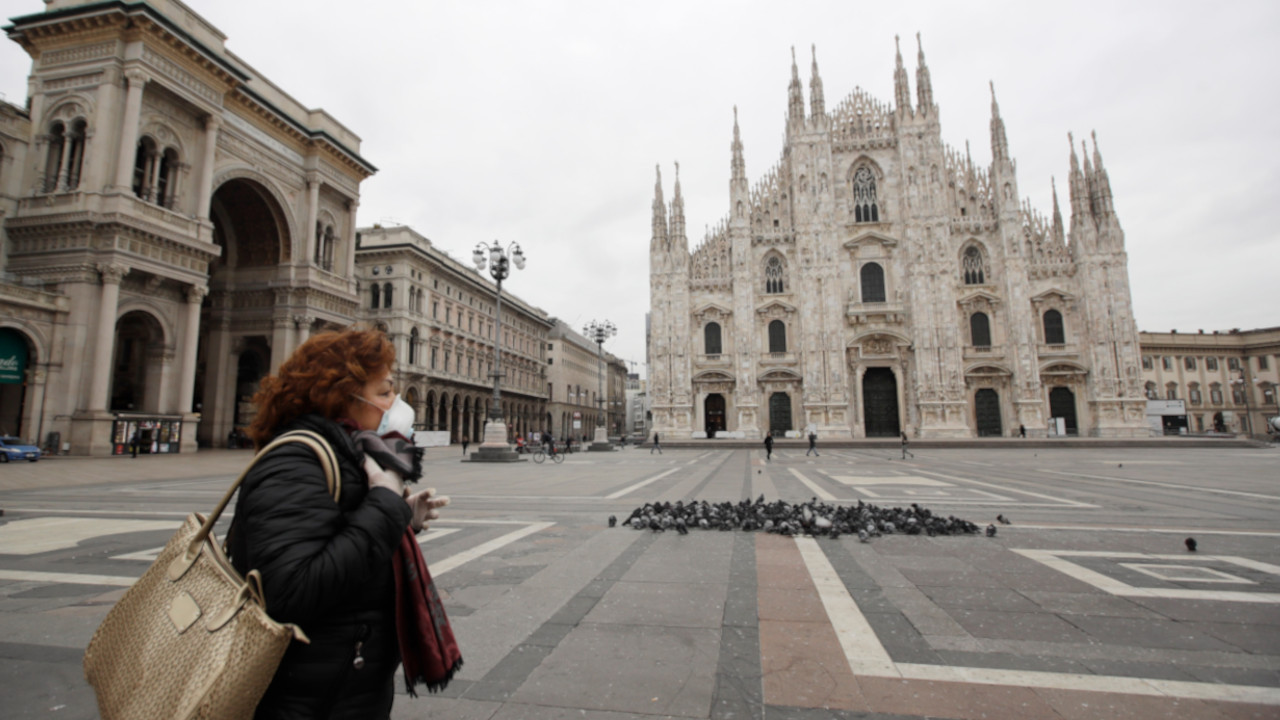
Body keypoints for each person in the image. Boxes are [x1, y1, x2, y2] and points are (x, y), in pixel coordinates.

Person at [229, 328, 456, 718]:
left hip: (343, 684)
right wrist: (385, 507)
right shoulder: (294, 463)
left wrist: (402, 521)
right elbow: (291, 591)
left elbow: (338, 540)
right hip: (308, 697)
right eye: (385, 392)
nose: (397, 405)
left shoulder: (348, 454)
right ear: (340, 397)